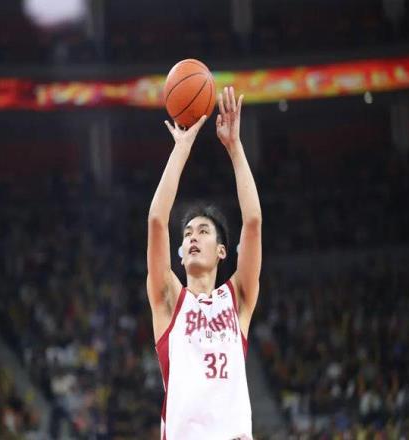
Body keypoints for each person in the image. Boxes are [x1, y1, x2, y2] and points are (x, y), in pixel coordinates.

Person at [146, 86, 262, 440]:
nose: (192, 237)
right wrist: (181, 148)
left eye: (203, 231)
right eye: (187, 234)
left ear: (222, 251)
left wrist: (235, 147)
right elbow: (157, 220)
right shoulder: (169, 299)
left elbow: (253, 221)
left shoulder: (237, 299)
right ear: (181, 253)